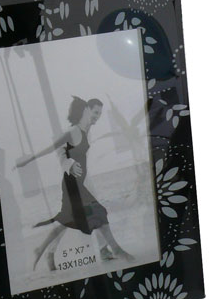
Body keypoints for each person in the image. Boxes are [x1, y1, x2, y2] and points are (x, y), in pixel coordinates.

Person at [16, 96, 134, 271]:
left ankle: (45, 250)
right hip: (73, 182)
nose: (97, 117)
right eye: (95, 112)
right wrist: (66, 164)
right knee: (95, 213)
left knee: (71, 218)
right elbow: (57, 151)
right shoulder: (72, 131)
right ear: (86, 111)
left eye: (99, 114)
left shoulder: (87, 131)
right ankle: (113, 250)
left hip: (83, 181)